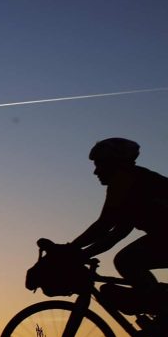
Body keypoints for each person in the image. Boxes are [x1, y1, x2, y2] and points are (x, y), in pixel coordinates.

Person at [68, 137, 168, 319]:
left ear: (113, 163)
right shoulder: (136, 180)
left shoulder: (124, 180)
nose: (96, 171)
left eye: (99, 164)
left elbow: (105, 225)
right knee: (130, 263)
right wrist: (77, 251)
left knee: (127, 260)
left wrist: (72, 250)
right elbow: (118, 231)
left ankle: (161, 313)